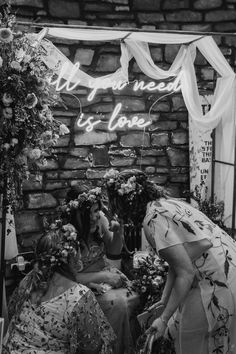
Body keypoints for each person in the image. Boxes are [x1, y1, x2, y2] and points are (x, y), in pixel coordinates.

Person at [104, 168, 236, 354]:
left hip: (216, 280)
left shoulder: (152, 220)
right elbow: (180, 260)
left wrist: (164, 318)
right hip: (228, 268)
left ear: (124, 203)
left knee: (185, 337)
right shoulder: (166, 204)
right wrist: (164, 300)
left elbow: (185, 272)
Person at [3, 220, 116, 353]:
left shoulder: (29, 279)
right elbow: (92, 346)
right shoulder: (78, 296)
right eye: (79, 251)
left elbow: (12, 311)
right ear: (72, 256)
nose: (81, 257)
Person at [61, 184, 140, 354]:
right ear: (75, 213)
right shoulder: (66, 233)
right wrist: (103, 276)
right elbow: (67, 278)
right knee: (119, 304)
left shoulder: (100, 219)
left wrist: (119, 233)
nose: (94, 216)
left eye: (96, 211)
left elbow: (114, 251)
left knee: (137, 295)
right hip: (82, 287)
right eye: (88, 213)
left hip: (106, 278)